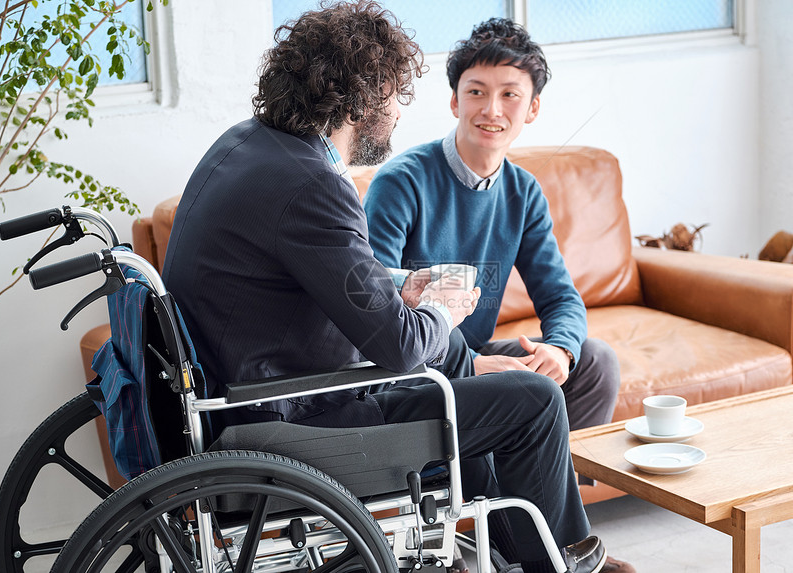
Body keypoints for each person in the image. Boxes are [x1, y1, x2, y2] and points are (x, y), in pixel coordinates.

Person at [163, 3, 629, 572]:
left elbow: (331, 275)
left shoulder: (251, 146)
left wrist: (404, 286)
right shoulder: (313, 183)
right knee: (531, 400)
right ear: (360, 96)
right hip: (292, 422)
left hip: (257, 396)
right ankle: (554, 560)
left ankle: (521, 552)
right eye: (393, 96)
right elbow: (402, 347)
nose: (396, 113)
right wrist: (442, 304)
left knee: (482, 376)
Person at [363, 18, 632, 572]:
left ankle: (523, 528)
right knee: (524, 395)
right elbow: (371, 303)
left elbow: (561, 296)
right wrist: (469, 362)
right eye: (477, 93)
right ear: (455, 101)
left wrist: (559, 350)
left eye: (511, 95)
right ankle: (555, 550)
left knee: (595, 363)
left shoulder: (523, 191)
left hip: (476, 361)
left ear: (531, 108)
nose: (492, 110)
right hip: (420, 368)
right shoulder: (403, 181)